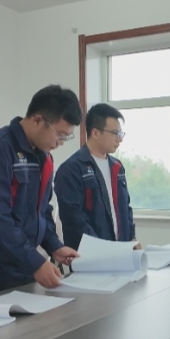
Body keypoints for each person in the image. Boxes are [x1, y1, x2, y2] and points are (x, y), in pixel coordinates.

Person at [0, 85, 82, 298]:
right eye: (59, 135)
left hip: (21, 265)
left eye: (66, 137)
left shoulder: (44, 157)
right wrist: (35, 262)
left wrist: (54, 246)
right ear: (37, 120)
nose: (60, 143)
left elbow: (42, 211)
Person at [54, 103, 138, 250]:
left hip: (121, 252)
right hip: (89, 255)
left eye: (121, 134)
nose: (120, 140)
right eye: (115, 133)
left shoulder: (117, 167)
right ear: (95, 133)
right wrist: (100, 249)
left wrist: (132, 238)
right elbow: (74, 219)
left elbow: (125, 208)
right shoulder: (72, 169)